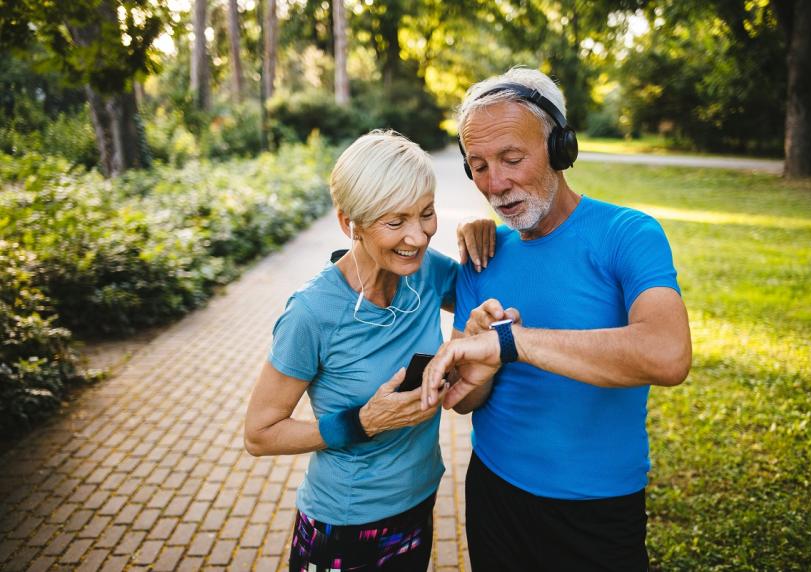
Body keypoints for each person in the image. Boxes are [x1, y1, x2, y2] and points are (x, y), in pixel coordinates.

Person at [421, 67, 693, 571]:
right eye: (477, 165)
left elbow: (668, 354)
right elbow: (464, 401)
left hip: (597, 510)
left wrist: (511, 343)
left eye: (511, 158)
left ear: (560, 147)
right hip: (494, 494)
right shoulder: (482, 254)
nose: (495, 184)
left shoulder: (627, 233)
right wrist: (479, 365)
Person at [243, 130, 494, 571]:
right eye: (394, 222)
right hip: (345, 525)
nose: (416, 237)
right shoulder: (312, 313)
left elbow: (483, 282)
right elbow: (259, 434)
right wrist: (361, 423)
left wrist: (485, 230)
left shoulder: (424, 271)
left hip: (418, 501)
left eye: (427, 214)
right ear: (348, 223)